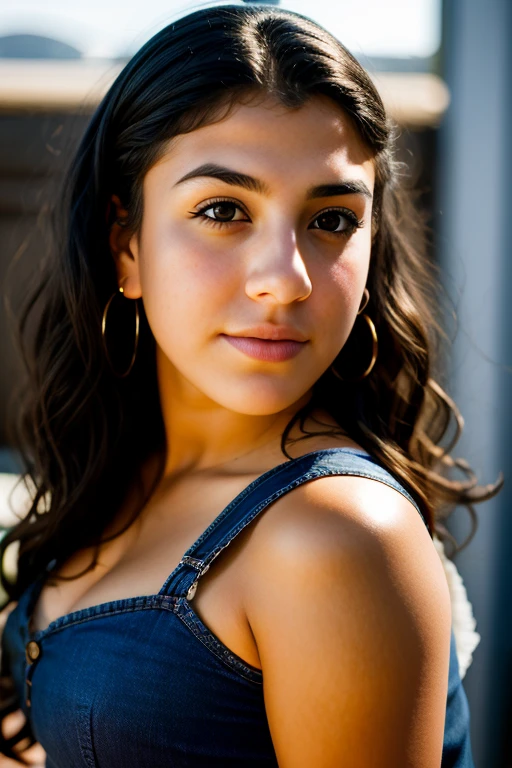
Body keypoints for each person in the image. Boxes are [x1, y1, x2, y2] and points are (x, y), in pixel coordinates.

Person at [0, 3, 501, 766]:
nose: (286, 280)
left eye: (331, 221)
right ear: (126, 244)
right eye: (225, 210)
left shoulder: (335, 536)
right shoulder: (126, 467)